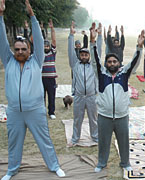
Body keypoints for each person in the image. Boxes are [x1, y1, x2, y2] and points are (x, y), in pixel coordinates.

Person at [0, 0, 65, 179]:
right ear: (13, 51)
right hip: (14, 111)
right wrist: (0, 16)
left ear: (30, 50)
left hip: (35, 110)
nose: (20, 52)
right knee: (14, 143)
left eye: (23, 49)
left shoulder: (37, 60)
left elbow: (36, 35)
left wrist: (33, 17)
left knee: (44, 141)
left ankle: (54, 166)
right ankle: (12, 170)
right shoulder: (9, 60)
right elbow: (1, 41)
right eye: (17, 49)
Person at [91, 28, 144, 173]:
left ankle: (125, 162)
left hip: (121, 116)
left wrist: (139, 47)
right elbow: (94, 60)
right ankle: (101, 163)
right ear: (106, 64)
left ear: (119, 63)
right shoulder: (101, 74)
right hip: (104, 116)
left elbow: (134, 63)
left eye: (115, 61)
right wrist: (92, 43)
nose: (112, 63)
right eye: (109, 61)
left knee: (124, 142)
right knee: (103, 142)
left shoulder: (124, 74)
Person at [67, 21, 102, 147]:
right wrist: (71, 35)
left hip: (92, 97)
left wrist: (99, 36)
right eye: (82, 54)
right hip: (79, 97)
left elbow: (98, 51)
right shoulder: (75, 64)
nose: (84, 56)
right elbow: (71, 51)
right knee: (77, 119)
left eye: (86, 54)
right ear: (79, 55)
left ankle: (96, 137)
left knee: (94, 119)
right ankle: (75, 139)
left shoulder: (93, 66)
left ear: (89, 56)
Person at [42, 19, 57, 120]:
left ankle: (51, 112)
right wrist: (40, 29)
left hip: (51, 79)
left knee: (51, 96)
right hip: (41, 79)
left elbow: (54, 41)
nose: (46, 47)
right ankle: (42, 112)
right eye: (44, 45)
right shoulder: (40, 53)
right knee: (41, 97)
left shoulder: (52, 52)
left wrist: (52, 29)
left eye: (47, 45)